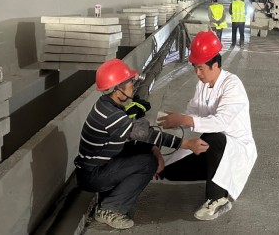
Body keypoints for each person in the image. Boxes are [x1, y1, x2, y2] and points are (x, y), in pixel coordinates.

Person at [74, 58, 209, 230]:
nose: (133, 86)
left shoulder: (107, 105)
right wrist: (186, 143)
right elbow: (146, 134)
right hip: (92, 176)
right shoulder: (111, 116)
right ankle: (109, 209)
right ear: (118, 90)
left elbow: (137, 137)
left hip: (97, 166)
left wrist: (154, 150)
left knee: (145, 152)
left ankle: (112, 198)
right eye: (130, 83)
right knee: (148, 163)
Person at [158, 31, 257, 221]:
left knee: (214, 137)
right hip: (214, 149)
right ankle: (216, 174)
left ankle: (218, 198)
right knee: (170, 172)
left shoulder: (232, 85)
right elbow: (193, 113)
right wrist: (177, 119)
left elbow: (221, 122)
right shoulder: (202, 85)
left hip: (234, 146)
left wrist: (185, 120)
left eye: (201, 68)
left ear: (216, 65)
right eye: (195, 68)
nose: (198, 73)